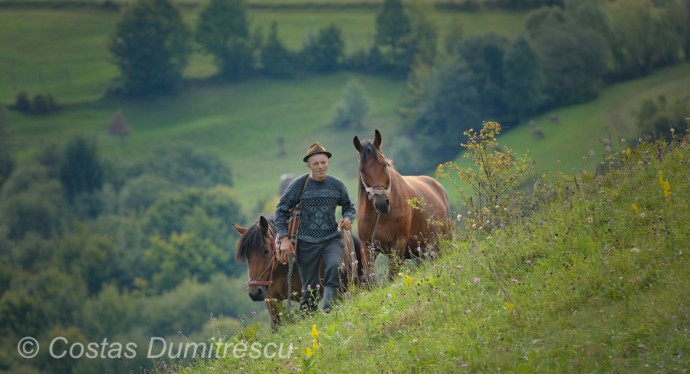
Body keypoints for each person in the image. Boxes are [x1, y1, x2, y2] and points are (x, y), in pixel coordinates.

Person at [275, 142, 356, 313]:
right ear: (308, 165)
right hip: (306, 243)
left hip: (331, 239)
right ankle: (309, 318)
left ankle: (327, 310)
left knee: (335, 266)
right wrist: (283, 239)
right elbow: (280, 210)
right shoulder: (299, 185)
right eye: (316, 164)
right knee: (309, 287)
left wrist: (348, 218)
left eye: (323, 163)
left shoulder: (337, 185)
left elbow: (349, 206)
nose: (320, 167)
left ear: (328, 163)